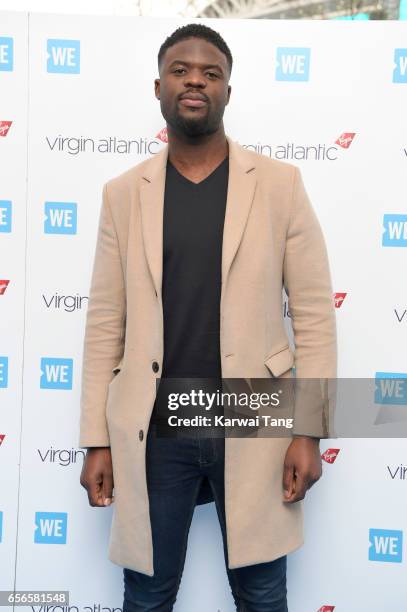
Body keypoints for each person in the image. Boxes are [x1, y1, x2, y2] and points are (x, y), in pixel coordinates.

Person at [79, 23, 337, 612]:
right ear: (159, 87)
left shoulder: (279, 185)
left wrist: (308, 429)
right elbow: (104, 327)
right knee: (147, 595)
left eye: (210, 73)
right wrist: (96, 440)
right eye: (181, 70)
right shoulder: (123, 193)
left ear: (226, 90)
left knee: (262, 594)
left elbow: (317, 317)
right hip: (156, 424)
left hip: (253, 415)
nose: (195, 80)